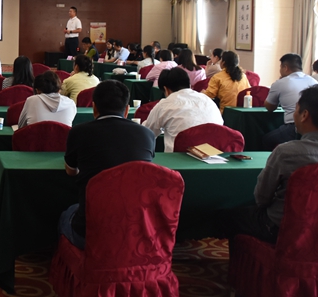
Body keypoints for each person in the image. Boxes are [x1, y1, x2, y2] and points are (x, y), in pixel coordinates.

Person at [221, 85, 318, 244]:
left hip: (283, 229)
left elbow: (262, 198)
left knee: (229, 217)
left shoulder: (286, 153)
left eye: (295, 109)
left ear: (304, 115)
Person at [60, 80, 156, 249]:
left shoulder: (79, 132)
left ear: (94, 107)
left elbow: (71, 171)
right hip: (136, 229)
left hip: (91, 230)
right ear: (126, 110)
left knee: (65, 214)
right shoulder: (147, 134)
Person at [142, 67, 223, 152]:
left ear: (166, 89)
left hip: (180, 156)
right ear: (189, 85)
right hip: (214, 153)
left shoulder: (165, 104)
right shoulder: (207, 100)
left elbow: (148, 133)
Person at [262, 53, 318, 150]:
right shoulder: (313, 81)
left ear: (285, 67)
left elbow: (269, 107)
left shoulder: (280, 83)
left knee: (267, 139)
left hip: (294, 127)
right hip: (316, 126)